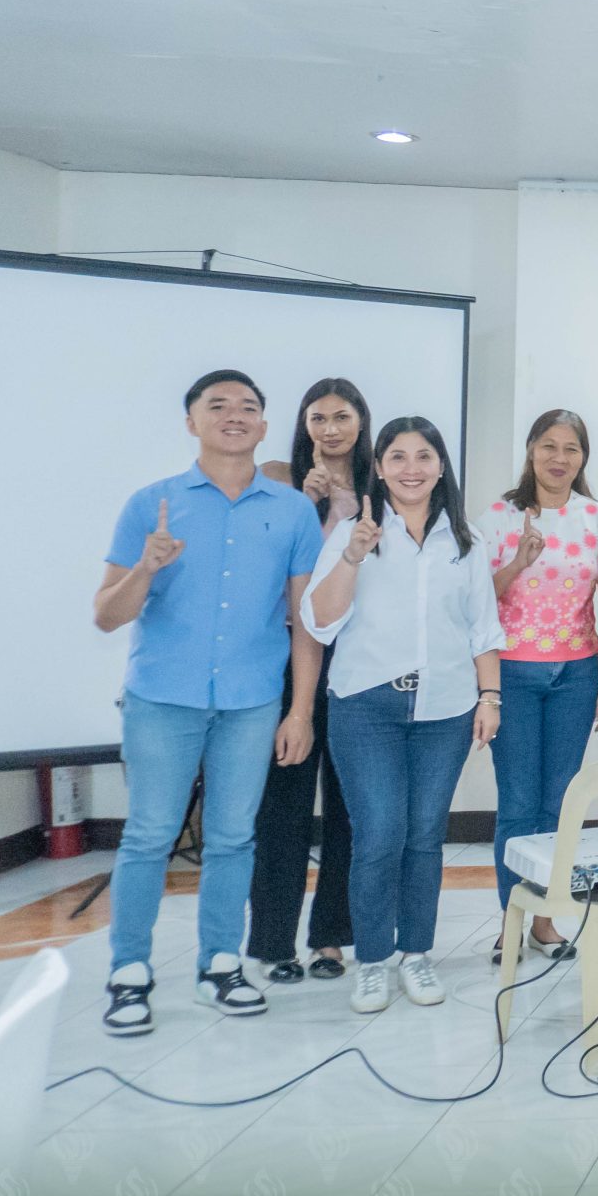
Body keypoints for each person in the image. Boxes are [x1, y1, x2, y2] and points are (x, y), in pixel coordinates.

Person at [93, 370, 324, 1035]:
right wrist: (146, 567)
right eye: (217, 405)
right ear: (191, 422)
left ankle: (220, 964)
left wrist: (300, 711)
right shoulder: (151, 504)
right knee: (148, 835)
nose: (234, 415)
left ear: (263, 425)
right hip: (162, 697)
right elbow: (107, 615)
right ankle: (129, 972)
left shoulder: (291, 511)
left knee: (232, 837)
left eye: (248, 407)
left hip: (252, 701)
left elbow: (306, 623)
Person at [299, 417, 504, 1014]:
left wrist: (490, 698)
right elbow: (319, 620)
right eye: (397, 456)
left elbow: (483, 628)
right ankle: (371, 960)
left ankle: (415, 953)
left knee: (423, 836)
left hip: (445, 708)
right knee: (380, 833)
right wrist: (352, 558)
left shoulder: (466, 541)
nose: (411, 468)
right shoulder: (353, 533)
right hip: (366, 706)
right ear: (381, 467)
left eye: (423, 456)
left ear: (440, 466)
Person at [480, 408, 598, 964]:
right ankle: (510, 922)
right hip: (513, 674)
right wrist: (518, 562)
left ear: (583, 457)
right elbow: (478, 603)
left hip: (576, 676)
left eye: (571, 448)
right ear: (531, 450)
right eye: (549, 446)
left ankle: (545, 921)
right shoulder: (499, 517)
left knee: (560, 802)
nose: (559, 458)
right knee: (518, 804)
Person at [246, 377, 370, 985]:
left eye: (341, 416)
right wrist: (304, 498)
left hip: (356, 660)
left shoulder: (378, 487)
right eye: (318, 418)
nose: (330, 428)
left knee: (348, 808)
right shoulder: (277, 477)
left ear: (361, 421)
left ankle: (330, 939)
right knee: (283, 806)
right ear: (303, 425)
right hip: (291, 656)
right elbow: (263, 562)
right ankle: (274, 942)